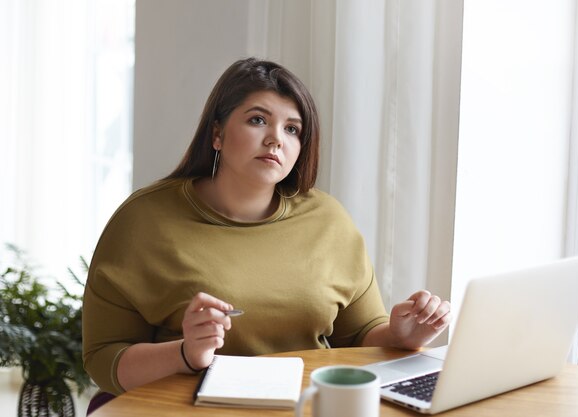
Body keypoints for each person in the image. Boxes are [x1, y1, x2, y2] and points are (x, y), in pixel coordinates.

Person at [82, 57, 451, 401]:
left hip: (309, 407)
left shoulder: (328, 219)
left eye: (292, 129)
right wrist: (185, 352)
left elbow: (359, 335)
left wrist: (403, 336)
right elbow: (103, 359)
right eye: (258, 120)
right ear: (217, 134)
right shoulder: (143, 221)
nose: (276, 138)